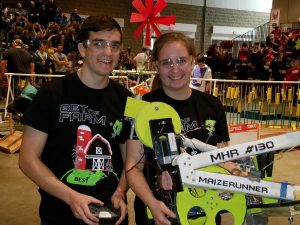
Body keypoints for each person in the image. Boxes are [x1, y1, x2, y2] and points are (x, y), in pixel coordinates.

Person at [19, 15, 132, 225]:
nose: (108, 52)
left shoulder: (127, 100)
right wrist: (71, 197)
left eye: (114, 46)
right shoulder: (51, 94)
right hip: (60, 214)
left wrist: (120, 191)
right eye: (99, 44)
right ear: (82, 49)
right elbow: (27, 160)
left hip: (112, 216)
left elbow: (130, 162)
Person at [125, 32, 240, 225]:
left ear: (192, 61)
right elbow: (132, 168)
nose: (175, 69)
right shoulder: (139, 106)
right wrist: (152, 203)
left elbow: (221, 157)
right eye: (166, 62)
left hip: (205, 211)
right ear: (156, 66)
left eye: (181, 60)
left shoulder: (213, 104)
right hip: (156, 212)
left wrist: (235, 173)